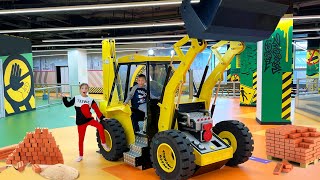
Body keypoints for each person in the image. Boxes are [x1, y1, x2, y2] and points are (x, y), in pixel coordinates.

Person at [61, 83, 110, 162]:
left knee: (100, 126)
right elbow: (67, 104)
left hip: (89, 120)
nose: (84, 90)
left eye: (86, 88)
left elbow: (96, 110)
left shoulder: (90, 100)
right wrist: (64, 98)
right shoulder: (76, 98)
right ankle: (80, 155)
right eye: (82, 88)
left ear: (88, 90)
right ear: (80, 90)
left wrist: (102, 118)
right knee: (81, 139)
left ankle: (103, 143)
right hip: (80, 123)